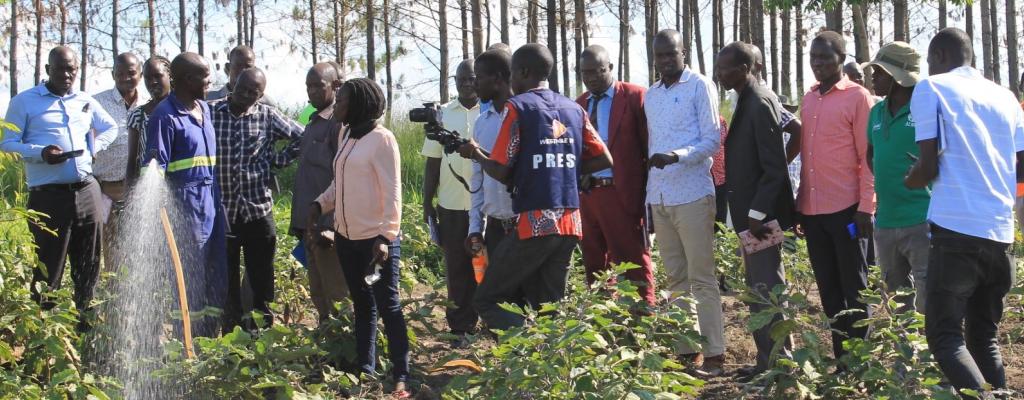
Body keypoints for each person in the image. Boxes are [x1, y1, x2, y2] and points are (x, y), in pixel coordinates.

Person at [904, 27, 1024, 396]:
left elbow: (928, 168)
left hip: (956, 229)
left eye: (928, 61)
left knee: (944, 334)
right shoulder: (1005, 97)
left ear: (938, 55)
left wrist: (912, 179)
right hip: (1000, 232)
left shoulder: (932, 88)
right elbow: (1020, 168)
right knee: (983, 336)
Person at [459, 43, 612, 331]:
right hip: (570, 222)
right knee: (550, 308)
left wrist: (476, 154)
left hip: (535, 223)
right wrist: (562, 166)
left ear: (524, 72)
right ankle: (550, 365)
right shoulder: (573, 108)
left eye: (514, 73)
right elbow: (605, 157)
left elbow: (502, 171)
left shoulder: (519, 108)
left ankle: (528, 346)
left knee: (488, 299)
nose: (511, 81)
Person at [1, 46, 118, 326]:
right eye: (61, 68)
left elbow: (110, 127)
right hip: (49, 197)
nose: (67, 74)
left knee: (89, 264)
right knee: (48, 268)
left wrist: (93, 149)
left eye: (72, 69)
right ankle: (44, 339)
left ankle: (85, 329)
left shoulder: (84, 100)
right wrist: (40, 152)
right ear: (47, 69)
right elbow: (6, 142)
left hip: (87, 189)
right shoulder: (25, 102)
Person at [308, 78, 410, 397]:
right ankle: (366, 368)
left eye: (341, 101)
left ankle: (402, 374)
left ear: (359, 105)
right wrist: (320, 203)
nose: (336, 105)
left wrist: (385, 236)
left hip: (374, 241)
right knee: (362, 305)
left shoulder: (383, 140)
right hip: (346, 238)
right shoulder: (346, 133)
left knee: (388, 305)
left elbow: (394, 192)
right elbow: (340, 183)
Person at [644, 29, 725, 376]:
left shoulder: (700, 85)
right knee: (675, 278)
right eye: (659, 55)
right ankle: (686, 349)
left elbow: (712, 139)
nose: (664, 61)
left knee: (702, 278)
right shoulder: (651, 95)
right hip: (660, 195)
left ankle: (715, 354)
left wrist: (676, 156)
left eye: (670, 54)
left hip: (692, 193)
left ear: (683, 52)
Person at [715, 41, 796, 379]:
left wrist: (759, 212)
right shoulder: (746, 99)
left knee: (767, 289)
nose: (720, 74)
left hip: (762, 219)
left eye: (726, 68)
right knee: (757, 289)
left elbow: (775, 166)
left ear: (745, 68)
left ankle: (780, 366)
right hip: (752, 216)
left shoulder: (760, 101)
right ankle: (767, 362)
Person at [798, 31, 875, 359]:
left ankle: (859, 363)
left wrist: (867, 206)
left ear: (841, 60)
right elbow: (806, 158)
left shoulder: (858, 97)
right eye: (814, 58)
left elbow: (868, 157)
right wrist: (800, 204)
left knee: (854, 291)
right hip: (813, 212)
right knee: (828, 292)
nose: (818, 64)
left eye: (825, 58)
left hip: (847, 210)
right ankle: (842, 362)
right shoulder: (809, 98)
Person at [210, 67, 303, 331]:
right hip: (224, 211)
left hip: (257, 210)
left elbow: (302, 136)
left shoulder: (267, 115)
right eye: (243, 89)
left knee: (261, 276)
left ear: (261, 94)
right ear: (234, 84)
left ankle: (260, 334)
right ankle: (230, 334)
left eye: (254, 92)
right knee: (225, 279)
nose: (247, 95)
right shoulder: (211, 112)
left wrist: (277, 160)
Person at [144, 52, 228, 338]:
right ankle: (186, 343)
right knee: (189, 278)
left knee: (216, 274)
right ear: (186, 80)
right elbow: (154, 168)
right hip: (185, 210)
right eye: (205, 76)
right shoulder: (164, 116)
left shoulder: (203, 108)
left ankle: (210, 338)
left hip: (212, 205)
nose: (210, 81)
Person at [573, 45, 656, 306]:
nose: (592, 78)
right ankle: (604, 322)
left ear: (610, 68)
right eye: (586, 73)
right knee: (595, 264)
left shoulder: (635, 97)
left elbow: (648, 148)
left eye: (597, 71)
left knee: (632, 260)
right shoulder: (579, 104)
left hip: (623, 194)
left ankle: (643, 320)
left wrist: (645, 196)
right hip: (589, 195)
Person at [863, 42, 929, 313]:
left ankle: (936, 354)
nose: (874, 78)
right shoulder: (876, 112)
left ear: (898, 77)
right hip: (887, 221)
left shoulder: (925, 108)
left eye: (879, 72)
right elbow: (870, 152)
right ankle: (906, 355)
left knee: (929, 299)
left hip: (922, 218)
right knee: (895, 299)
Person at [422, 60, 481, 342]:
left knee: (486, 266)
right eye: (462, 79)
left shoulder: (492, 111)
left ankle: (491, 323)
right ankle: (461, 327)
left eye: (472, 79)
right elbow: (432, 164)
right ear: (454, 81)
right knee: (457, 268)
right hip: (451, 204)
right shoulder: (442, 114)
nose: (467, 84)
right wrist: (426, 203)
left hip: (486, 206)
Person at [290, 62, 348, 322]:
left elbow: (342, 178)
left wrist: (330, 224)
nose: (311, 92)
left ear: (335, 86)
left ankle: (345, 348)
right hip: (310, 223)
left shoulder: (338, 124)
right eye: (308, 87)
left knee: (337, 291)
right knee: (318, 291)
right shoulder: (312, 121)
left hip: (328, 225)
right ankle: (328, 344)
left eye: (318, 86)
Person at [462, 50, 517, 268]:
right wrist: (475, 229)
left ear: (497, 79)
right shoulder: (482, 122)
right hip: (494, 229)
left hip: (524, 228)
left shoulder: (524, 117)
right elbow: (478, 180)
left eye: (479, 77)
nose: (474, 84)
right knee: (497, 299)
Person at [125, 56, 172, 183]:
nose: (153, 82)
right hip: (150, 187)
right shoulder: (138, 115)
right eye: (148, 78)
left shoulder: (183, 111)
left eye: (158, 76)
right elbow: (132, 160)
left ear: (170, 76)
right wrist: (129, 193)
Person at [206, 45, 277, 108]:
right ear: (228, 67)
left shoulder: (267, 105)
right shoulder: (208, 99)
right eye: (238, 66)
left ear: (254, 69)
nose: (243, 72)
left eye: (248, 67)